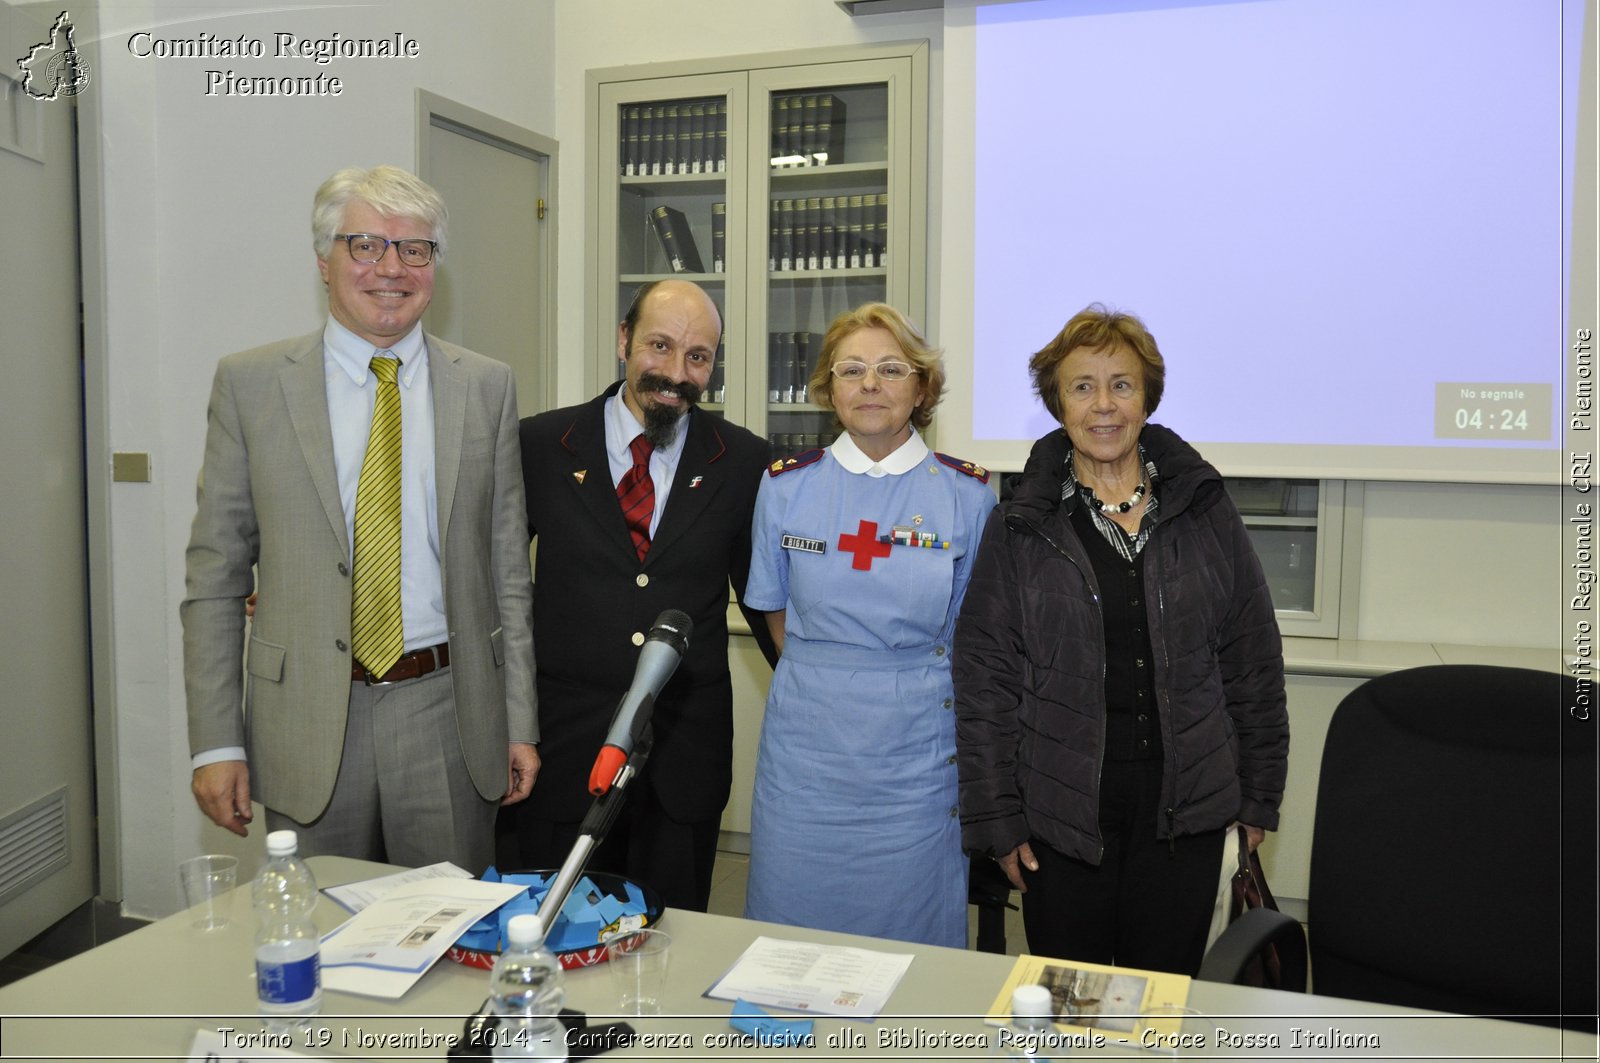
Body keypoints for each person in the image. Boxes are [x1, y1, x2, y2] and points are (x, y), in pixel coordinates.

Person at [181, 165, 536, 873]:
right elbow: (215, 575)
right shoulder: (251, 387)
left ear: (435, 266)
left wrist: (518, 719)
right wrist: (217, 741)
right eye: (366, 245)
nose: (391, 269)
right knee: (313, 942)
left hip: (448, 714)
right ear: (324, 259)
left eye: (415, 249)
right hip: (305, 721)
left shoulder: (486, 385)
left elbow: (507, 571)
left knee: (449, 944)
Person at [954, 303, 1288, 975]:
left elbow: (1252, 661)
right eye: (1082, 386)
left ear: (1146, 398)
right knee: (1071, 1004)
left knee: (1162, 1003)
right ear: (1058, 403)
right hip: (1060, 817)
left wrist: (1257, 798)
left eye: (1121, 384)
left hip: (1186, 814)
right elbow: (984, 677)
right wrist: (999, 818)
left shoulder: (1205, 509)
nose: (1103, 405)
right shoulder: (1021, 525)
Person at [512, 279, 774, 913]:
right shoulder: (538, 445)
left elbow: (765, 602)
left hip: (682, 761)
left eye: (698, 357)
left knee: (670, 951)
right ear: (624, 340)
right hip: (558, 754)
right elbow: (496, 590)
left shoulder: (744, 461)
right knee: (544, 939)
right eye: (660, 346)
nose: (677, 373)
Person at [742, 303, 997, 947]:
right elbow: (772, 608)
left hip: (915, 753)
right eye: (851, 370)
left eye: (891, 368)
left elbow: (975, 630)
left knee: (910, 934)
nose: (871, 384)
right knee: (793, 933)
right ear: (829, 388)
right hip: (808, 749)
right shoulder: (785, 488)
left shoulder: (968, 495)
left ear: (922, 386)